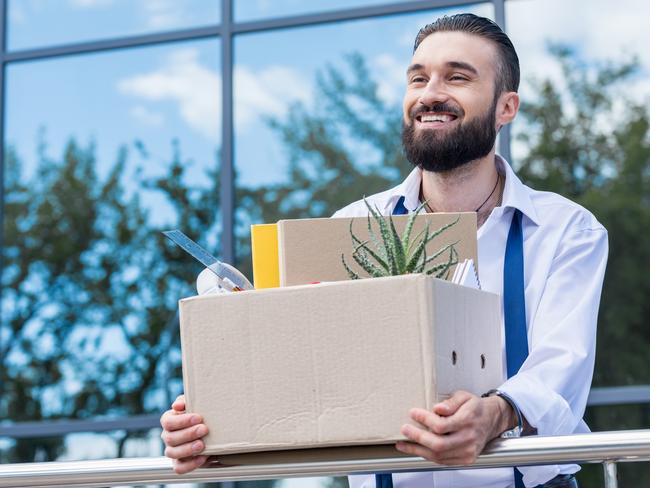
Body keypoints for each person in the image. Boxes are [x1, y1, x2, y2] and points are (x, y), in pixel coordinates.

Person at [160, 13, 608, 488]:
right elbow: (303, 379)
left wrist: (496, 414)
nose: (430, 93)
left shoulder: (566, 230)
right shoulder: (349, 226)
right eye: (418, 78)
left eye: (457, 77)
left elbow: (562, 369)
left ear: (506, 107)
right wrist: (215, 431)